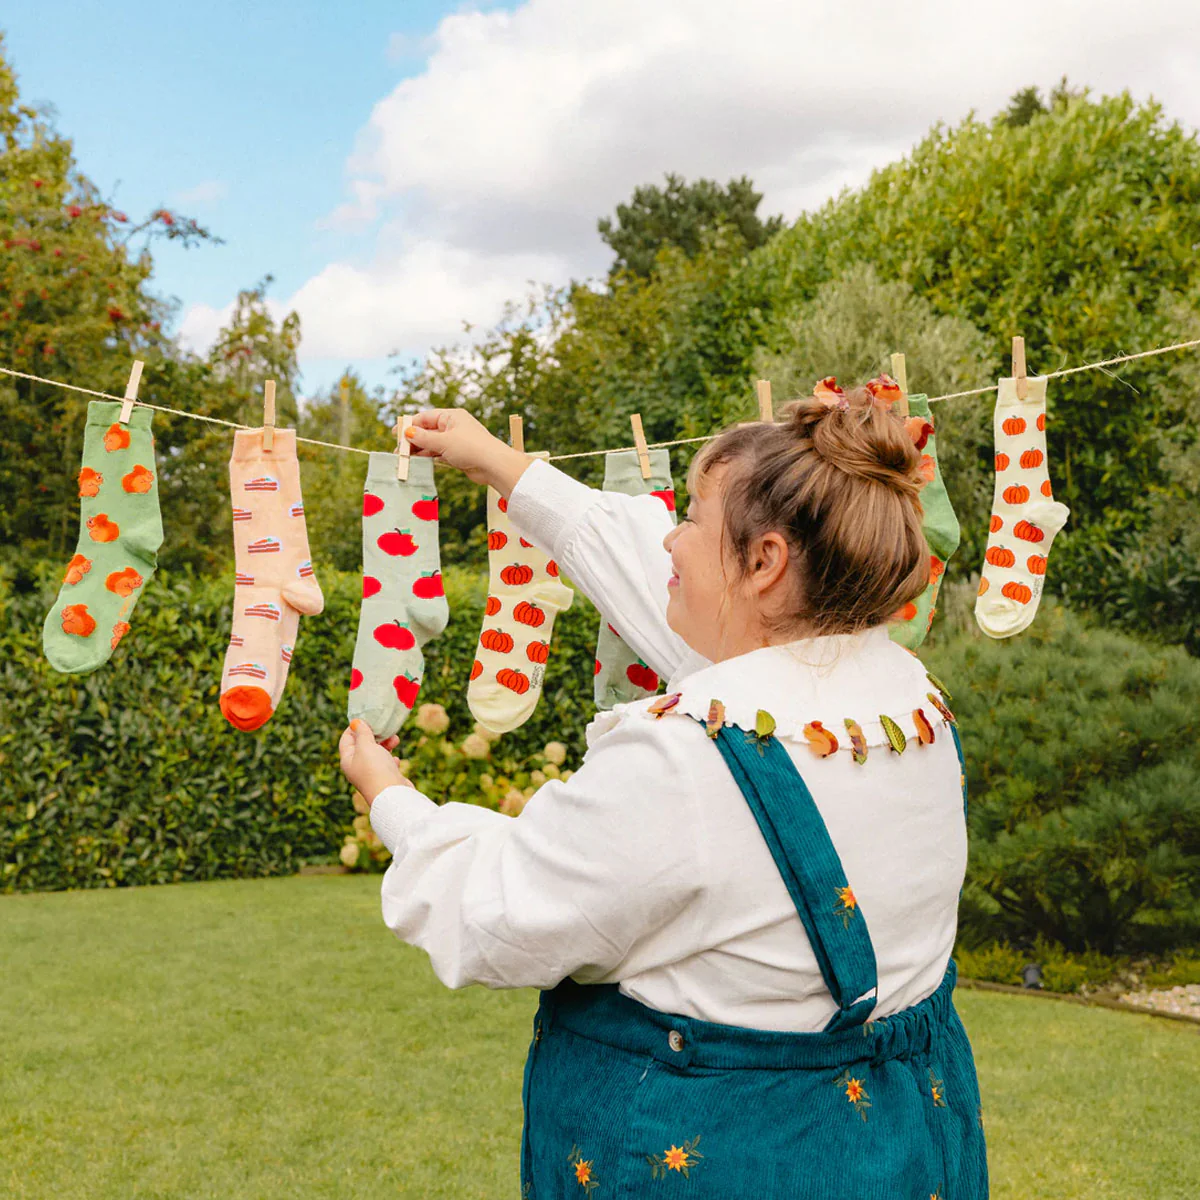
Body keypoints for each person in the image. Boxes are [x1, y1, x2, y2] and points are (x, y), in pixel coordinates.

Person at [338, 390, 988, 1198]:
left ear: (766, 563)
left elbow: (494, 917)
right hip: (905, 1144)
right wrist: (501, 466)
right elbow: (650, 565)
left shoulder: (685, 764)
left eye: (691, 516)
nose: (670, 538)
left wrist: (394, 799)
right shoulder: (908, 700)